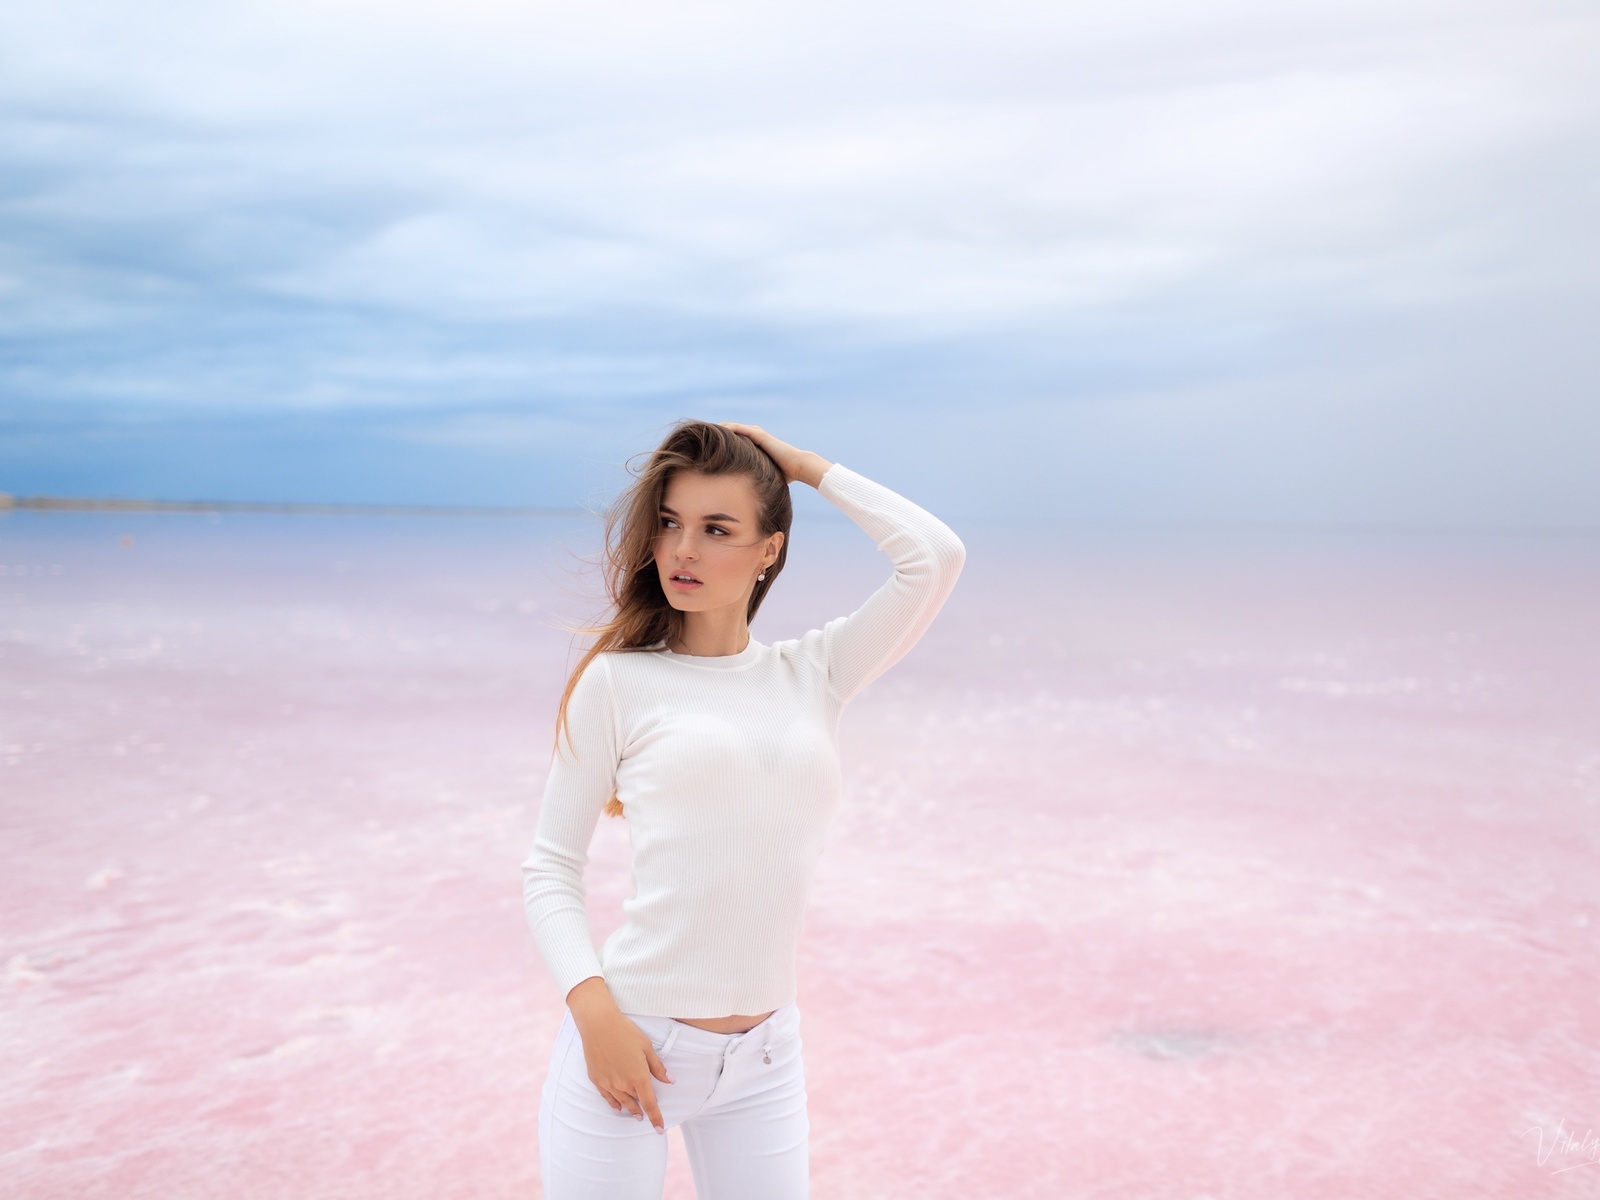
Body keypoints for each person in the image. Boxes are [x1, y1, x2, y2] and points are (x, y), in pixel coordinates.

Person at [522, 419, 966, 1199]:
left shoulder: (815, 673)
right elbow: (551, 866)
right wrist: (595, 1017)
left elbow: (934, 558)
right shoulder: (619, 683)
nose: (682, 550)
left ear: (770, 550)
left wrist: (805, 468)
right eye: (669, 523)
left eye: (716, 529)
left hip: (764, 1059)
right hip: (632, 1045)